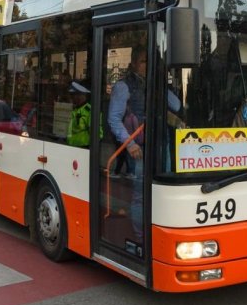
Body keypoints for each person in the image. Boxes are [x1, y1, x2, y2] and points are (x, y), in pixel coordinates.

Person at [109, 46, 182, 241]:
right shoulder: (123, 86)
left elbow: (176, 105)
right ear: (133, 63)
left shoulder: (154, 85)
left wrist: (159, 85)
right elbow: (113, 119)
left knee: (161, 191)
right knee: (141, 194)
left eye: (151, 62)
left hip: (161, 145)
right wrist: (130, 144)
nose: (147, 66)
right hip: (139, 148)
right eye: (143, 61)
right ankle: (141, 238)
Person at [66, 81, 91, 148]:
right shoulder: (75, 109)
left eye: (73, 95)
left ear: (80, 95)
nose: (71, 97)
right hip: (71, 146)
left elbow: (96, 134)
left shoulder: (88, 111)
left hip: (83, 147)